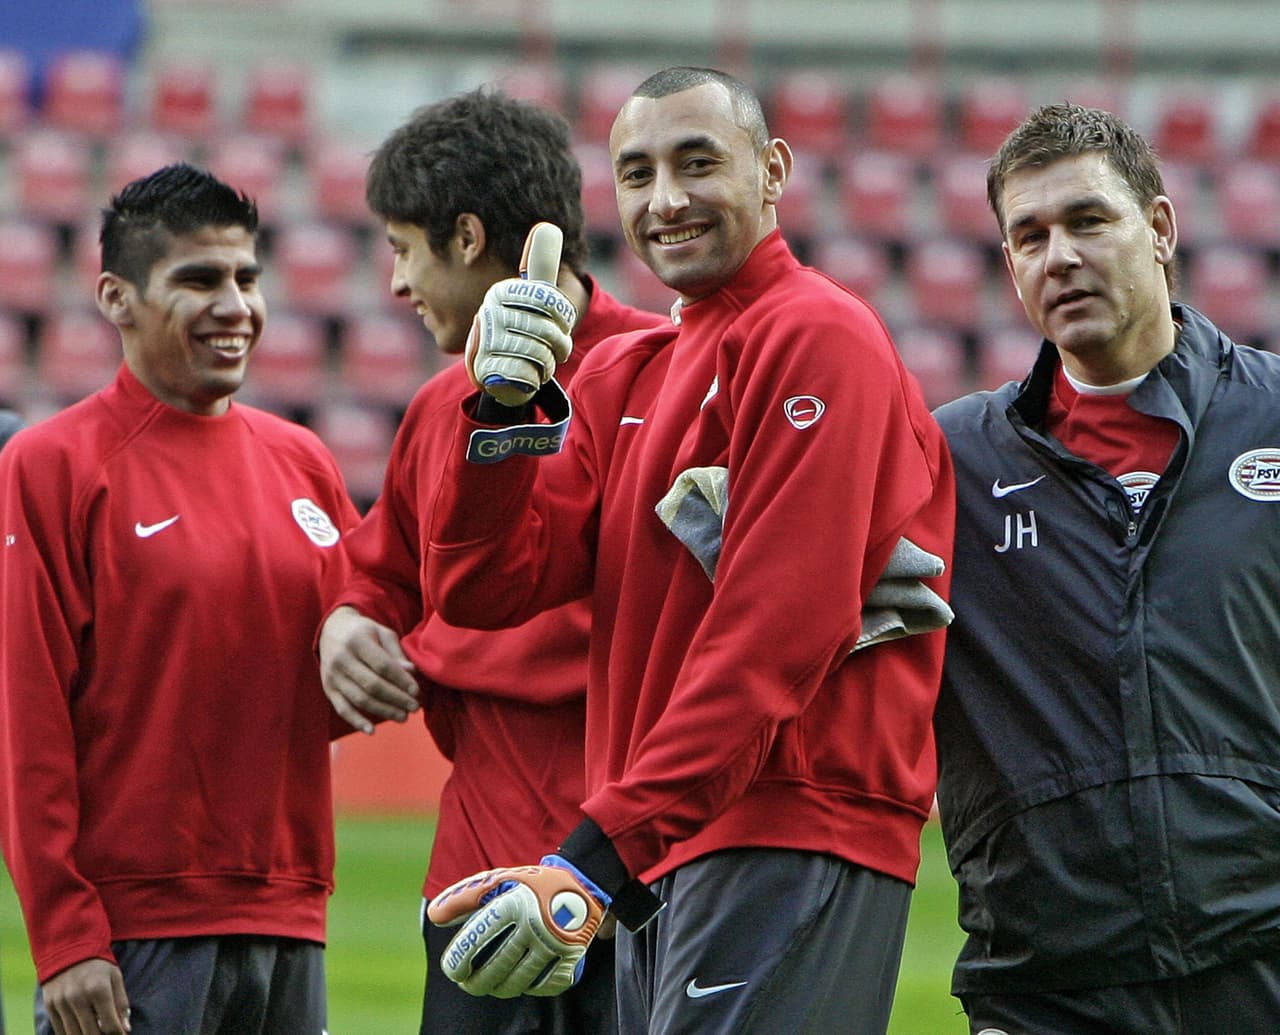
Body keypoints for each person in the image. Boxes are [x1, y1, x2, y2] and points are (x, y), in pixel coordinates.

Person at [414, 67, 955, 1034]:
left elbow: (777, 632)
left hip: (790, 824)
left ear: (772, 170)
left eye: (697, 163)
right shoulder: (630, 366)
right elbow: (481, 586)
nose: (665, 199)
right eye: (637, 172)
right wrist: (496, 412)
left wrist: (594, 849)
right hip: (664, 845)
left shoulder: (818, 335)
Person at [315, 88, 666, 1035]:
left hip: (635, 869)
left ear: (466, 236)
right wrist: (348, 618)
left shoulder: (670, 377)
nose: (394, 282)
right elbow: (382, 571)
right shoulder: (438, 407)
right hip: (473, 872)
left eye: (402, 246)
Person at [932, 102, 1280, 1034]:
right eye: (1030, 236)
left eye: (1089, 220)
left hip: (1259, 956)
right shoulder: (947, 462)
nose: (1061, 256)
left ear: (1160, 228)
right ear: (1008, 265)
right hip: (1045, 978)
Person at [0, 163, 360, 1035]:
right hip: (132, 934)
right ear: (117, 298)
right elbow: (26, 715)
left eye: (246, 277)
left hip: (289, 917)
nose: (234, 305)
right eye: (198, 280)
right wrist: (66, 938)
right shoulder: (53, 467)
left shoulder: (303, 461)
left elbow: (353, 677)